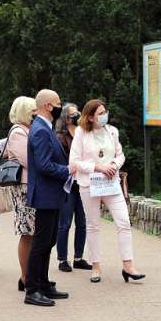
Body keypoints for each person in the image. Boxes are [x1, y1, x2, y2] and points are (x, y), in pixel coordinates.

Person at [69, 99, 145, 284]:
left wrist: (113, 165)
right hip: (90, 184)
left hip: (111, 183)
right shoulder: (81, 132)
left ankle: (128, 266)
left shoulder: (112, 131)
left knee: (124, 222)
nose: (105, 116)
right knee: (93, 225)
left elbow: (120, 154)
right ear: (90, 117)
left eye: (105, 112)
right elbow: (74, 162)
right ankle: (95, 266)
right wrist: (97, 167)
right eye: (100, 114)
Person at [24, 89, 76, 306]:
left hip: (52, 194)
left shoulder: (46, 127)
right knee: (41, 242)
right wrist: (67, 169)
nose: (59, 106)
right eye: (57, 103)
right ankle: (32, 290)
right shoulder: (40, 130)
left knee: (49, 241)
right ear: (47, 106)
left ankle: (44, 284)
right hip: (45, 194)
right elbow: (43, 165)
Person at [6, 96, 37, 291]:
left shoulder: (29, 130)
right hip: (24, 188)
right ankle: (25, 277)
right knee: (27, 232)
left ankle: (34, 275)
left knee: (35, 233)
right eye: (33, 110)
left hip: (33, 187)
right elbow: (30, 160)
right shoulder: (18, 132)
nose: (36, 113)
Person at [55, 102, 90, 272]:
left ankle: (78, 258)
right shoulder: (60, 138)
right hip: (68, 184)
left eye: (78, 113)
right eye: (74, 114)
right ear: (66, 118)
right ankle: (62, 259)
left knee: (82, 222)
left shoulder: (83, 134)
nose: (77, 116)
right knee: (65, 223)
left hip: (83, 182)